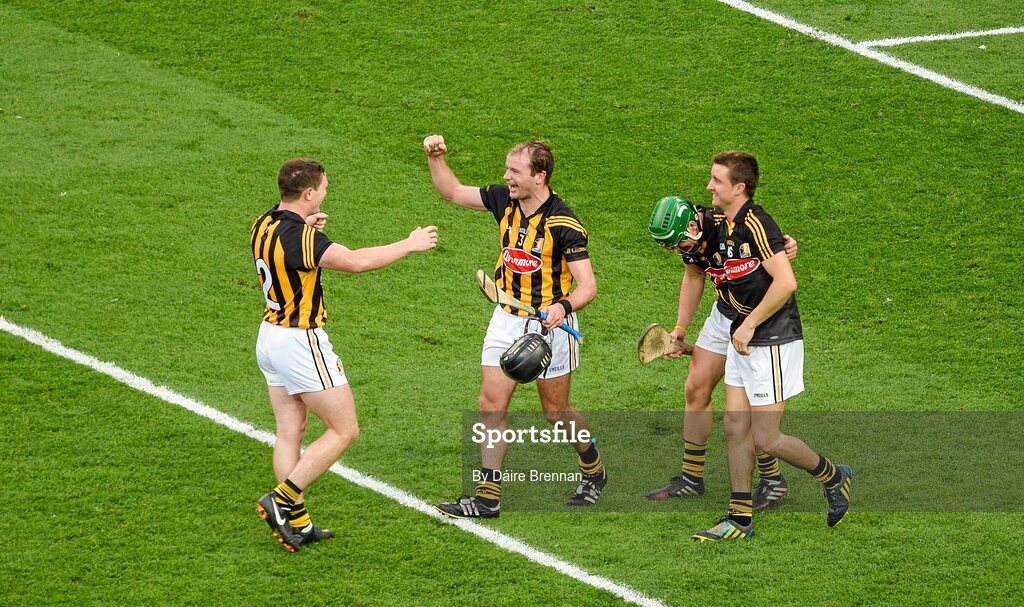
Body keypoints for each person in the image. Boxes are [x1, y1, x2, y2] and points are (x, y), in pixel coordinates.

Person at [252, 158, 438, 552]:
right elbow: (354, 261)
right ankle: (283, 499)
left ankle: (297, 524)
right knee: (344, 429)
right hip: (301, 341)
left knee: (290, 431)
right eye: (322, 188)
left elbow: (289, 252)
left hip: (269, 337)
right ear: (308, 194)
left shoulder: (263, 223)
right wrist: (409, 243)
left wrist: (309, 229)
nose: (325, 193)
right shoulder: (301, 237)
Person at [423, 136, 603, 517]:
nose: (506, 176)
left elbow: (588, 286)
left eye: (514, 171)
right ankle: (487, 497)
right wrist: (435, 157)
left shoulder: (565, 225)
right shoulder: (504, 200)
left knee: (555, 412)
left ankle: (593, 468)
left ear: (540, 176)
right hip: (506, 316)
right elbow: (452, 192)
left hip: (549, 326)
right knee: (491, 403)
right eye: (507, 169)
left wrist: (563, 306)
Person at [687, 151, 853, 541]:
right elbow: (686, 220)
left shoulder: (757, 223)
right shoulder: (722, 221)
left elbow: (786, 283)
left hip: (772, 339)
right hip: (742, 337)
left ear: (739, 187)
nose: (709, 185)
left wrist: (749, 325)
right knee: (734, 427)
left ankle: (833, 475)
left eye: (716, 180)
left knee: (766, 438)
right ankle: (739, 517)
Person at [646, 198, 799, 512]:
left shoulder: (730, 225)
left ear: (693, 224)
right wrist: (680, 329)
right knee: (695, 387)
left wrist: (784, 248)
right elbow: (693, 276)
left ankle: (773, 481)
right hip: (724, 312)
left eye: (679, 244)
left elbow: (771, 253)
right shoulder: (689, 239)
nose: (679, 250)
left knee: (752, 409)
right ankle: (691, 478)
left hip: (756, 315)